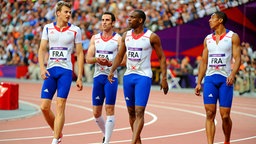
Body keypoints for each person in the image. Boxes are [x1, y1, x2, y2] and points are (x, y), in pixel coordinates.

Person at [108, 9, 169, 144]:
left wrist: (164, 78)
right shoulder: (126, 36)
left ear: (140, 20)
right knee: (131, 112)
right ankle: (138, 141)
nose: (129, 19)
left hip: (143, 77)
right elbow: (119, 55)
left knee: (140, 111)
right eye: (129, 17)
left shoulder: (152, 37)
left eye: (132, 17)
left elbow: (162, 58)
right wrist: (112, 70)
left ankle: (132, 141)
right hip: (128, 76)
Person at [38, 1, 84, 144]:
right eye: (66, 12)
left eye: (70, 12)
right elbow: (42, 49)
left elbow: (80, 53)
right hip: (51, 70)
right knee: (44, 107)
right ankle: (58, 132)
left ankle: (55, 139)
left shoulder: (75, 30)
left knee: (60, 104)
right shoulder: (47, 28)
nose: (69, 14)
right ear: (58, 13)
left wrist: (80, 76)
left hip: (65, 71)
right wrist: (42, 68)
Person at [194, 11, 241, 144]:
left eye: (212, 18)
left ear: (220, 20)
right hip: (210, 80)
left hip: (225, 79)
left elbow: (237, 59)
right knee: (209, 114)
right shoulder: (207, 39)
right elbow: (203, 62)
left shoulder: (233, 37)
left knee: (225, 115)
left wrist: (232, 74)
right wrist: (199, 82)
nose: (209, 20)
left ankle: (227, 140)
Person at [86, 12, 122, 144]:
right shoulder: (95, 38)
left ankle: (106, 141)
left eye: (107, 20)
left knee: (110, 109)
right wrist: (97, 59)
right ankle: (105, 134)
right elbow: (88, 59)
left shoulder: (118, 39)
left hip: (110, 78)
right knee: (96, 113)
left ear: (113, 23)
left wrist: (111, 63)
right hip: (98, 77)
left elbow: (124, 60)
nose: (104, 22)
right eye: (102, 20)